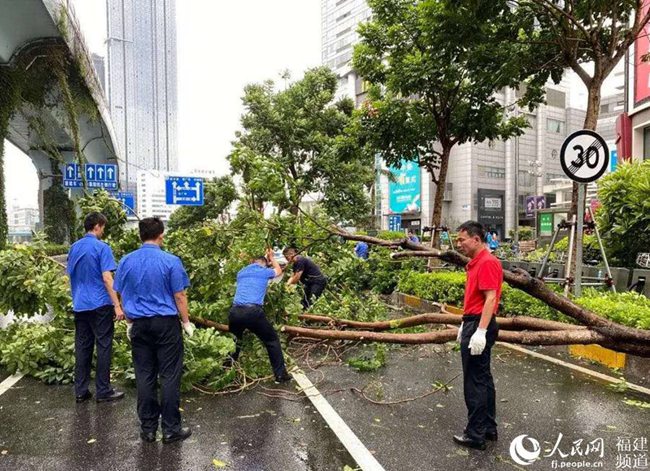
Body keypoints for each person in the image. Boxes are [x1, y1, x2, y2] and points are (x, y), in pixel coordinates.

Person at [114, 217, 194, 444]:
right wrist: (186, 322)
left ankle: (148, 429)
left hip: (139, 325)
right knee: (169, 375)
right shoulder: (171, 261)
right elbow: (179, 295)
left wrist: (130, 322)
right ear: (161, 235)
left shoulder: (126, 261)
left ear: (140, 235)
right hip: (166, 324)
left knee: (144, 375)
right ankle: (170, 429)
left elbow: (122, 293)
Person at [453, 221, 502, 451]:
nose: (458, 244)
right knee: (483, 378)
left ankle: (475, 434)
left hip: (479, 323)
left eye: (462, 239)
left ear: (476, 239)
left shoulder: (487, 262)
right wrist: (466, 324)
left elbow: (490, 298)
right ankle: (488, 428)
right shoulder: (477, 263)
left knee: (474, 382)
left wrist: (480, 331)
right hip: (473, 321)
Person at [67, 212, 125, 404]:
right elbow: (107, 278)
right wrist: (117, 305)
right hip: (100, 304)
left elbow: (72, 275)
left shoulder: (74, 248)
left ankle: (81, 391)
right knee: (103, 346)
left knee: (83, 347)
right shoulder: (102, 248)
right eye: (103, 228)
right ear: (98, 226)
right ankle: (103, 390)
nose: (103, 231)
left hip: (80, 304)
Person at [227, 248, 291, 383]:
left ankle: (227, 371)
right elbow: (279, 271)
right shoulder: (264, 271)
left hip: (235, 312)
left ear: (251, 262)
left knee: (235, 341)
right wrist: (272, 257)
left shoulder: (241, 272)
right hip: (252, 312)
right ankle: (280, 375)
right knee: (272, 341)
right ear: (265, 263)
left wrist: (265, 258)